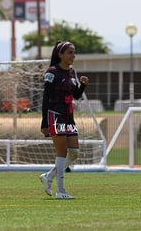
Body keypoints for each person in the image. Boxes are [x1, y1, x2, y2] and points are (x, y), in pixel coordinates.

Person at [39, 40, 89, 199]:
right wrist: (45, 123)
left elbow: (76, 95)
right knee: (62, 152)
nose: (73, 56)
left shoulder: (72, 72)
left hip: (69, 116)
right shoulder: (52, 72)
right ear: (60, 54)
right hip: (55, 115)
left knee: (74, 152)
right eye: (70, 52)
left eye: (74, 52)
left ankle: (48, 176)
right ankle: (61, 191)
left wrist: (82, 85)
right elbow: (45, 98)